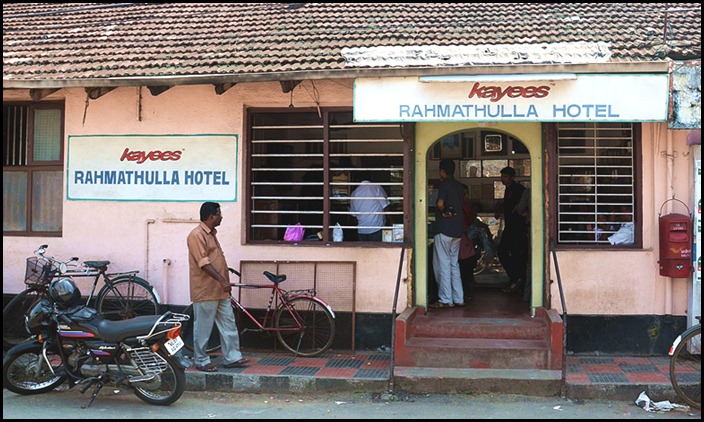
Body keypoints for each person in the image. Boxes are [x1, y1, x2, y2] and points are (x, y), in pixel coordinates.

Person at [187, 201, 248, 372]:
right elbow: (203, 262)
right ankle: (201, 360)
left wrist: (222, 279)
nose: (221, 217)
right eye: (219, 214)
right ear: (211, 216)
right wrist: (222, 279)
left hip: (220, 290)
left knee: (228, 324)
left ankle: (232, 357)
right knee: (203, 328)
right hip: (205, 290)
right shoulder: (196, 235)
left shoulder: (211, 234)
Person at [431, 159, 465, 309]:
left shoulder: (444, 183)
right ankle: (459, 298)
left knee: (443, 264)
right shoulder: (459, 186)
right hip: (457, 230)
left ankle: (445, 299)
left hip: (444, 229)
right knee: (454, 264)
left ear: (442, 171)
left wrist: (443, 212)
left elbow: (439, 203)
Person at [496, 166, 529, 295]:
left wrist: (522, 212)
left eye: (505, 176)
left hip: (518, 227)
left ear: (512, 177)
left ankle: (517, 279)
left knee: (515, 254)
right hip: (510, 226)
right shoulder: (508, 189)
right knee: (503, 251)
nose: (502, 179)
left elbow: (524, 205)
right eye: (502, 176)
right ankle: (514, 277)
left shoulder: (519, 189)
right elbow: (507, 205)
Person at [350, 173, 390, 241]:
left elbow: (354, 215)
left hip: (361, 230)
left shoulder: (354, 193)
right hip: (376, 228)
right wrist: (392, 222)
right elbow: (385, 207)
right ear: (371, 177)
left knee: (364, 251)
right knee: (377, 250)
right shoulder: (376, 188)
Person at [458, 184, 477, 301]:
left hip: (465, 238)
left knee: (465, 264)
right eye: (463, 194)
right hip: (463, 238)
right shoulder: (463, 206)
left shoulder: (466, 206)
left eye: (467, 193)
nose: (466, 196)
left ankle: (466, 290)